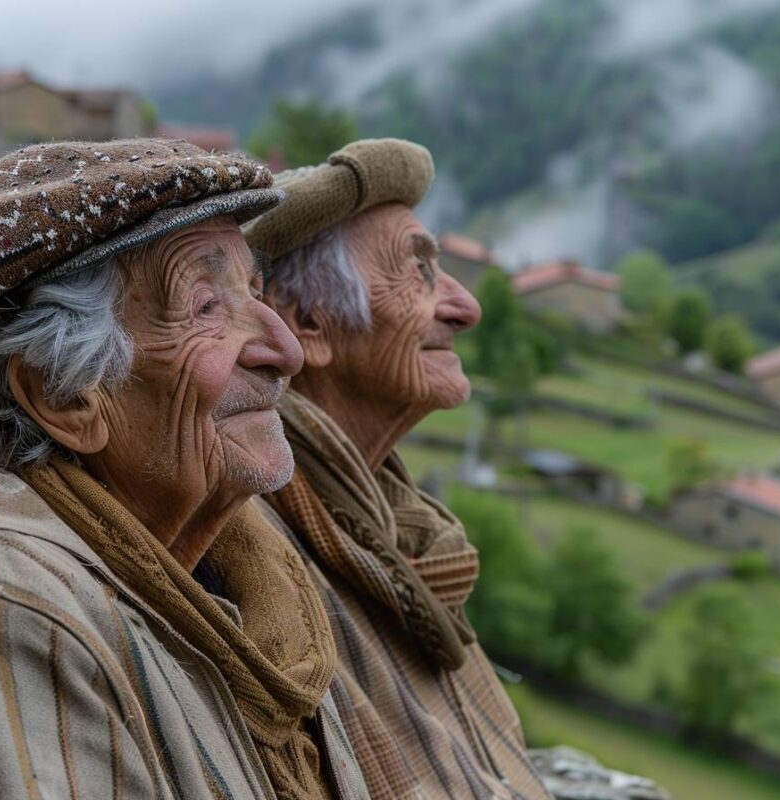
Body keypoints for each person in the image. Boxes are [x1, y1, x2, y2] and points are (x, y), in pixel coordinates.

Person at [0, 139, 367, 800]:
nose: (285, 350)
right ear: (63, 396)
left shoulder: (250, 578)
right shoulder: (9, 614)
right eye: (206, 308)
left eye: (252, 292)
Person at [245, 139, 552, 800]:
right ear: (307, 324)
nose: (466, 308)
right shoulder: (261, 565)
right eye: (420, 272)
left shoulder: (394, 540)